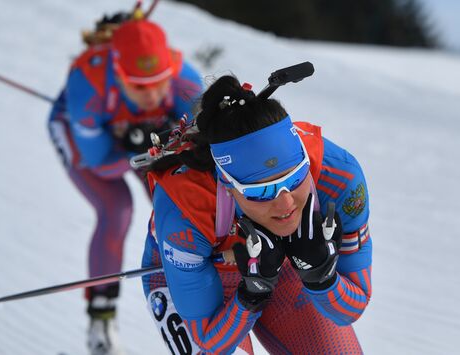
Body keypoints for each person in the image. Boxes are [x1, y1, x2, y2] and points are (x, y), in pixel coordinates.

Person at [140, 74, 372, 354]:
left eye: (295, 179)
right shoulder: (186, 211)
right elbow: (210, 340)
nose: (285, 204)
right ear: (226, 184)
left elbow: (352, 307)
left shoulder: (337, 176)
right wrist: (251, 294)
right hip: (203, 269)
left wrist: (322, 276)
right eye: (261, 192)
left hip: (284, 266)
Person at [47, 9, 203, 355]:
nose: (150, 96)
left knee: (178, 205)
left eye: (159, 83)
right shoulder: (87, 85)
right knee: (116, 208)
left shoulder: (186, 79)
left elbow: (203, 144)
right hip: (91, 141)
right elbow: (102, 165)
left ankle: (194, 306)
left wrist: (155, 143)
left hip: (144, 141)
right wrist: (141, 145)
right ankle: (101, 322)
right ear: (118, 75)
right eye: (138, 86)